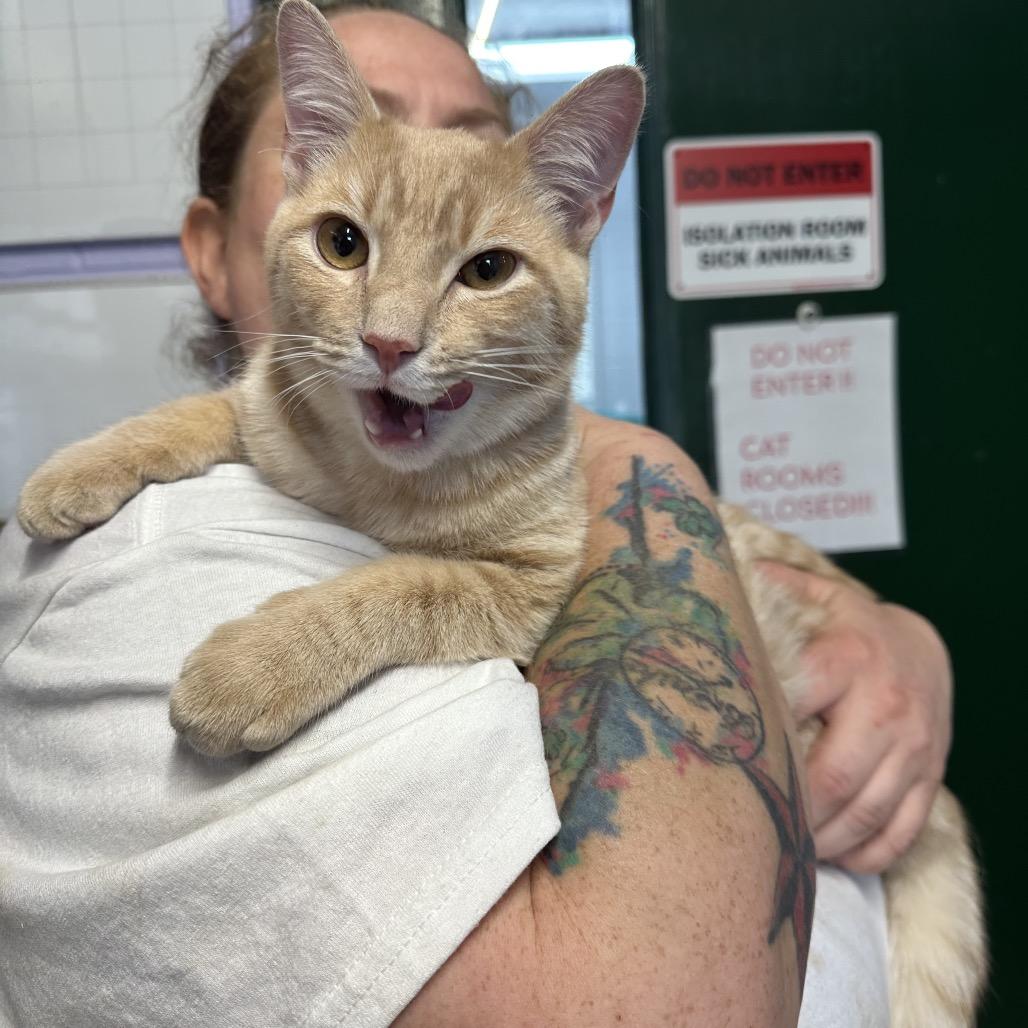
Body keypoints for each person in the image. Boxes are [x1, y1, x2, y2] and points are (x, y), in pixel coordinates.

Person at [0, 4, 949, 1025]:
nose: (392, 331)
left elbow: (541, 581)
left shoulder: (523, 462)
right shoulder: (134, 580)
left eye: (483, 264)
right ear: (213, 246)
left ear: (579, 212)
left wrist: (906, 640)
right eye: (347, 239)